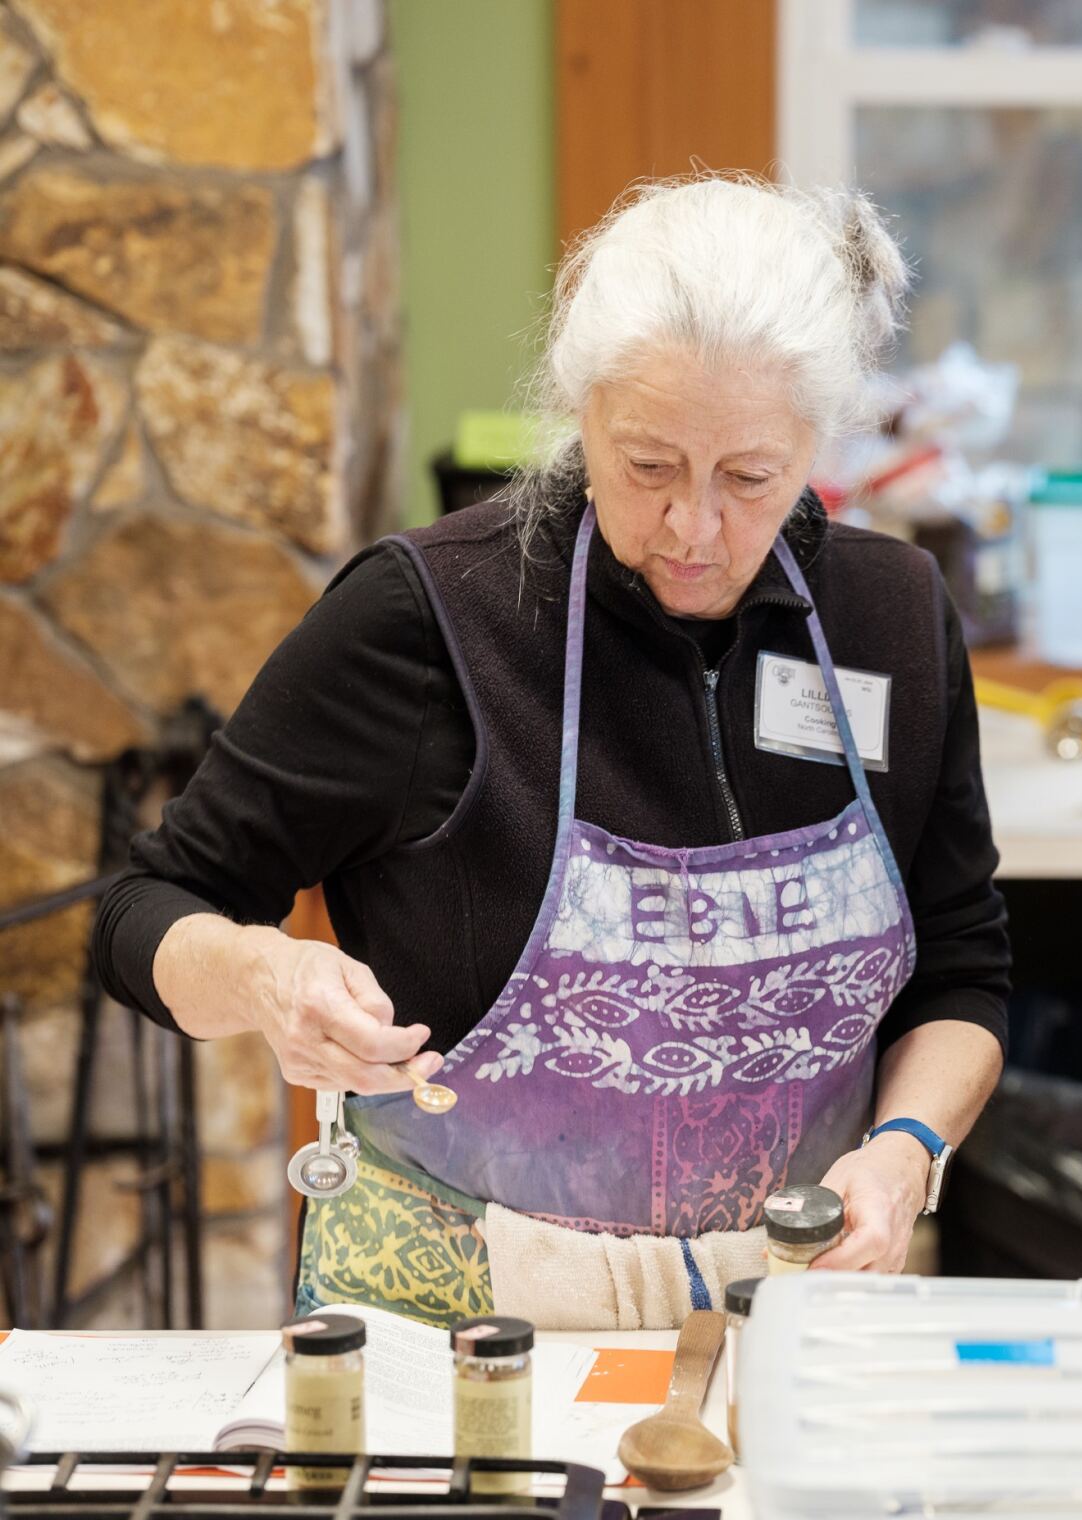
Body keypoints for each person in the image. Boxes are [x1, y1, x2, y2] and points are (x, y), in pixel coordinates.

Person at [93, 177, 1009, 1322]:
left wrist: (906, 1149)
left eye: (748, 477)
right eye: (648, 466)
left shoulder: (891, 620)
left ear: (816, 440)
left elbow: (961, 968)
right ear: (580, 411)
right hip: (457, 1331)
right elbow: (142, 905)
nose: (693, 527)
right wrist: (264, 978)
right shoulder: (427, 619)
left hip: (802, 1306)